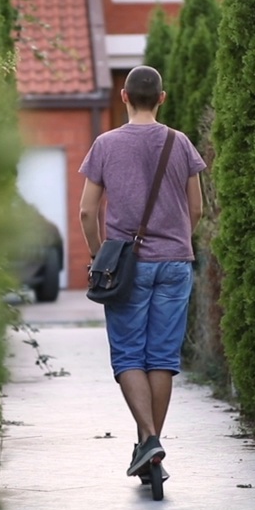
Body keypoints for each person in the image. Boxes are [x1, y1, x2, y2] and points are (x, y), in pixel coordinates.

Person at [78, 65, 206, 482]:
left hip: (126, 269)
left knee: (130, 354)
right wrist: (175, 243)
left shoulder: (105, 144)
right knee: (163, 358)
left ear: (124, 97)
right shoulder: (180, 143)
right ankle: (150, 451)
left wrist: (101, 257)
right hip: (175, 263)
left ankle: (148, 439)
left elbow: (86, 211)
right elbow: (198, 209)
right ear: (163, 98)